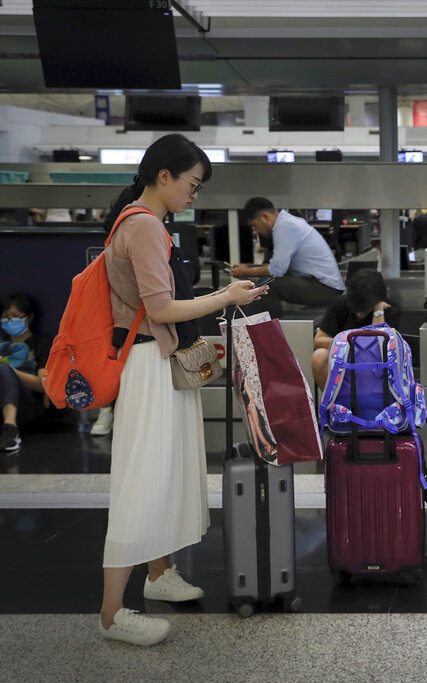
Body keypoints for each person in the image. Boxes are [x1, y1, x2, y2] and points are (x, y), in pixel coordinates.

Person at [97, 133, 267, 647]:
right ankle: (110, 613)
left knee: (161, 472)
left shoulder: (140, 221)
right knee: (142, 481)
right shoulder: (145, 226)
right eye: (191, 184)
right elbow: (162, 309)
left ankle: (157, 573)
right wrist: (226, 295)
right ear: (163, 176)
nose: (195, 194)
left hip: (154, 361)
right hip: (149, 365)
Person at [231, 197, 344, 318]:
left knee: (267, 286)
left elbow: (277, 270)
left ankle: (271, 330)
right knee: (266, 280)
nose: (255, 231)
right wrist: (249, 269)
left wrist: (246, 271)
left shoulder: (285, 227)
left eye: (255, 225)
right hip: (321, 285)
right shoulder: (287, 222)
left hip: (327, 290)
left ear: (264, 217)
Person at [311, 269, 399, 391]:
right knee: (319, 355)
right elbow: (319, 340)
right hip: (344, 359)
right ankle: (332, 402)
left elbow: (377, 349)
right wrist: (351, 344)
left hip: (376, 366)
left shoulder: (389, 310)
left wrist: (378, 311)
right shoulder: (340, 305)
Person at [0, 293, 52, 452]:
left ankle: (10, 430)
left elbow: (42, 384)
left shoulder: (42, 345)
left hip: (30, 407)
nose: (10, 321)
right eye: (5, 317)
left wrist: (9, 370)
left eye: (15, 317)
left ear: (28, 318)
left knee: (3, 369)